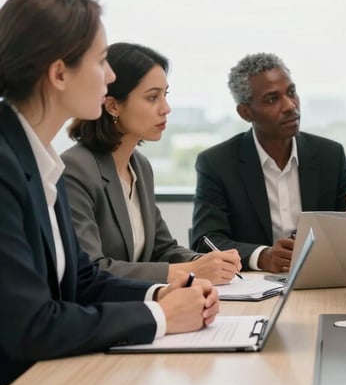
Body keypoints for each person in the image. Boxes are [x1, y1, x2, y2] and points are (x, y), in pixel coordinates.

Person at [0, 0, 219, 385]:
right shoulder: (8, 166)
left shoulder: (38, 159)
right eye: (102, 61)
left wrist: (161, 293)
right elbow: (30, 324)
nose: (111, 76)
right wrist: (162, 317)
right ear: (59, 73)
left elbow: (82, 281)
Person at [62, 43, 241, 285]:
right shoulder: (76, 169)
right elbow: (93, 268)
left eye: (165, 95)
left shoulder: (140, 166)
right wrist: (191, 270)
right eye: (152, 97)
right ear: (113, 105)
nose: (166, 109)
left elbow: (163, 249)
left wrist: (210, 263)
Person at [191, 53, 346, 273]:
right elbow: (206, 240)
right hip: (254, 285)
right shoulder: (217, 163)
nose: (289, 106)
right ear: (245, 112)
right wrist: (261, 256)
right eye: (272, 99)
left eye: (291, 93)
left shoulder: (329, 155)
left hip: (320, 279)